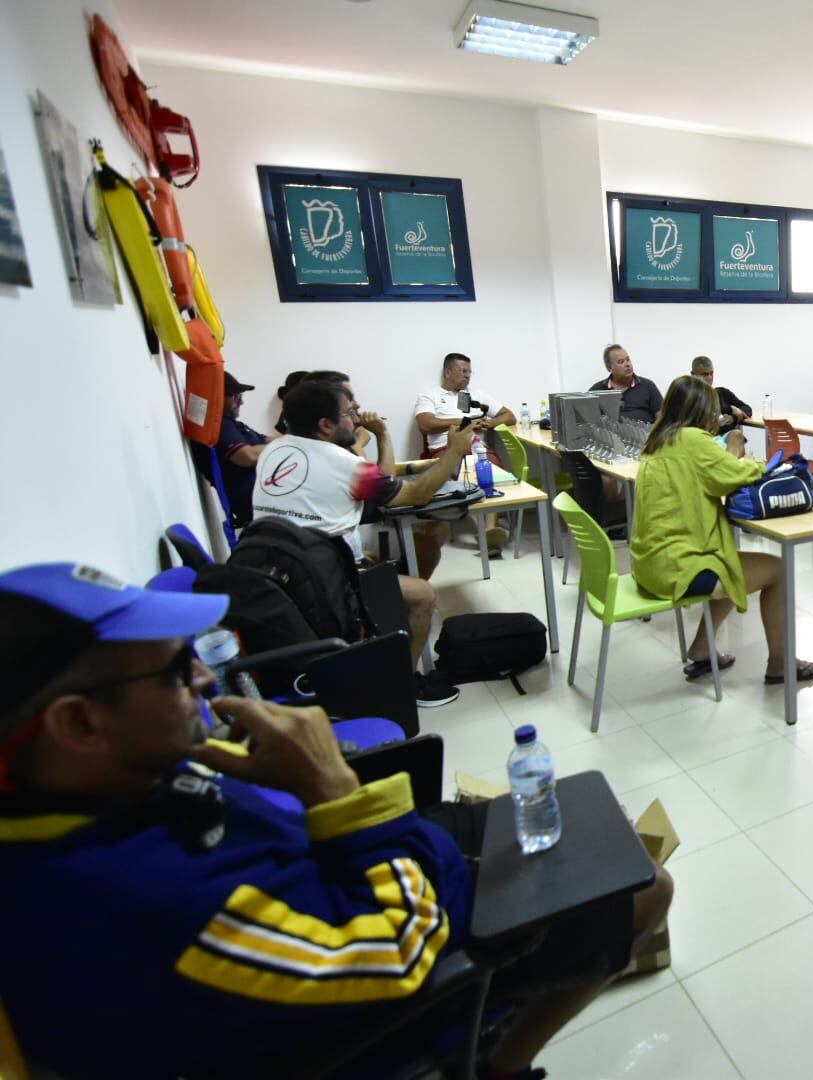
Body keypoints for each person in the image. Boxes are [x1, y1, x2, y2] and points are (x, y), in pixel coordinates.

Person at [0, 564, 672, 1080]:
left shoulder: (97, 786)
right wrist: (335, 787)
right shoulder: (151, 908)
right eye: (177, 670)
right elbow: (408, 949)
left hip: (360, 865)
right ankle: (497, 1067)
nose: (206, 679)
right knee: (648, 887)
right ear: (80, 723)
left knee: (593, 821)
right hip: (410, 946)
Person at [255, 380, 473, 705]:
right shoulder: (343, 464)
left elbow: (372, 485)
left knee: (390, 559)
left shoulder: (275, 449)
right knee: (422, 595)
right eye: (349, 412)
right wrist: (454, 450)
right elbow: (415, 493)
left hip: (276, 572)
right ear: (325, 425)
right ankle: (404, 689)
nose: (356, 417)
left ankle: (381, 645)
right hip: (319, 584)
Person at [631, 376, 813, 686]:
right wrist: (737, 446)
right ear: (703, 411)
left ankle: (702, 649)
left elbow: (710, 475)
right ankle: (780, 664)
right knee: (778, 570)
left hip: (651, 562)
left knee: (732, 561)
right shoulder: (693, 440)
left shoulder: (657, 441)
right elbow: (732, 475)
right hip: (680, 566)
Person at [414, 353, 516, 561]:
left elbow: (510, 415)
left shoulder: (476, 395)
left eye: (470, 372)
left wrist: (488, 423)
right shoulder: (429, 395)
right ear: (448, 372)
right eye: (463, 371)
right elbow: (425, 424)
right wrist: (463, 421)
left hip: (478, 448)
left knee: (492, 472)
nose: (467, 376)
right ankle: (484, 534)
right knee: (463, 479)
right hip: (447, 448)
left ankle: (488, 531)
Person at [215, 372, 273, 527]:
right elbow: (246, 456)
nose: (241, 402)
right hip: (262, 508)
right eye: (236, 396)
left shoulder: (234, 425)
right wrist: (288, 445)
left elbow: (268, 439)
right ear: (218, 397)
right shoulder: (220, 425)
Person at [691, 355, 750, 456]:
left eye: (711, 373)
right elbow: (706, 409)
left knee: (737, 434)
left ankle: (732, 468)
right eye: (705, 374)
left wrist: (733, 417)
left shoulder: (722, 393)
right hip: (701, 441)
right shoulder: (689, 397)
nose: (709, 377)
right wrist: (730, 408)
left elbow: (747, 409)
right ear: (693, 375)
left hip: (723, 439)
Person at [591, 344, 663, 423]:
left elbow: (662, 415)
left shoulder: (648, 385)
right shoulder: (597, 390)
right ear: (610, 367)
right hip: (611, 434)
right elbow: (586, 420)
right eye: (621, 362)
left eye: (628, 360)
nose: (627, 364)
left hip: (644, 433)